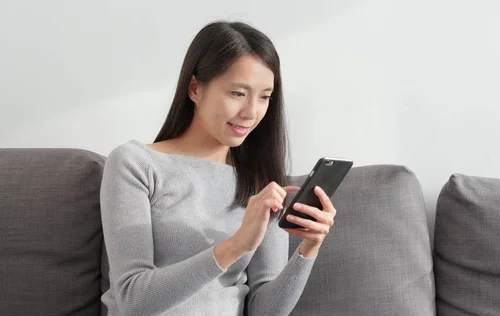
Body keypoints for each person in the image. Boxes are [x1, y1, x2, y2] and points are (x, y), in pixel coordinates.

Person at [99, 20, 338, 316]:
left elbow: (266, 311)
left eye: (265, 96)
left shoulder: (261, 184)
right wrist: (237, 244)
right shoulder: (134, 164)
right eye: (238, 93)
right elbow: (133, 300)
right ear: (195, 88)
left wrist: (309, 249)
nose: (251, 113)